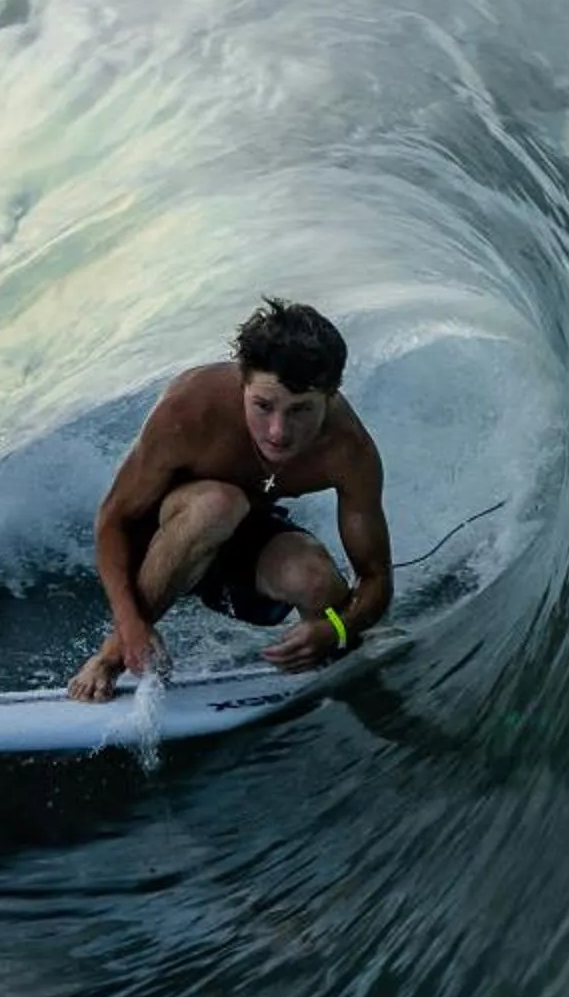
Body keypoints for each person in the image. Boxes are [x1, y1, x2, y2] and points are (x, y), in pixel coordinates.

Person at [67, 298, 393, 702]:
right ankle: (109, 657)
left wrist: (338, 627)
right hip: (165, 543)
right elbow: (112, 520)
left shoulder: (349, 451)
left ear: (331, 396)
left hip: (244, 551)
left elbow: (376, 576)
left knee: (317, 580)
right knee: (218, 504)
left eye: (300, 411)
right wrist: (131, 623)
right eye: (263, 405)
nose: (278, 431)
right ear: (243, 382)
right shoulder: (190, 409)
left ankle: (333, 666)